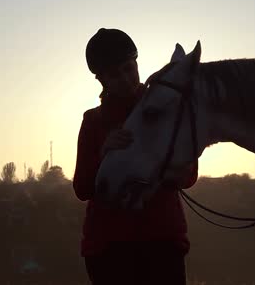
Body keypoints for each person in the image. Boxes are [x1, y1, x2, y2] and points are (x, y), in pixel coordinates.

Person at [73, 28, 198, 285]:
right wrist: (104, 153)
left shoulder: (165, 106)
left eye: (129, 69)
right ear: (101, 80)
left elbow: (189, 175)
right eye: (114, 74)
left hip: (163, 243)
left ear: (137, 64)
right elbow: (82, 188)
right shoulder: (93, 121)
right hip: (109, 250)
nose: (125, 79)